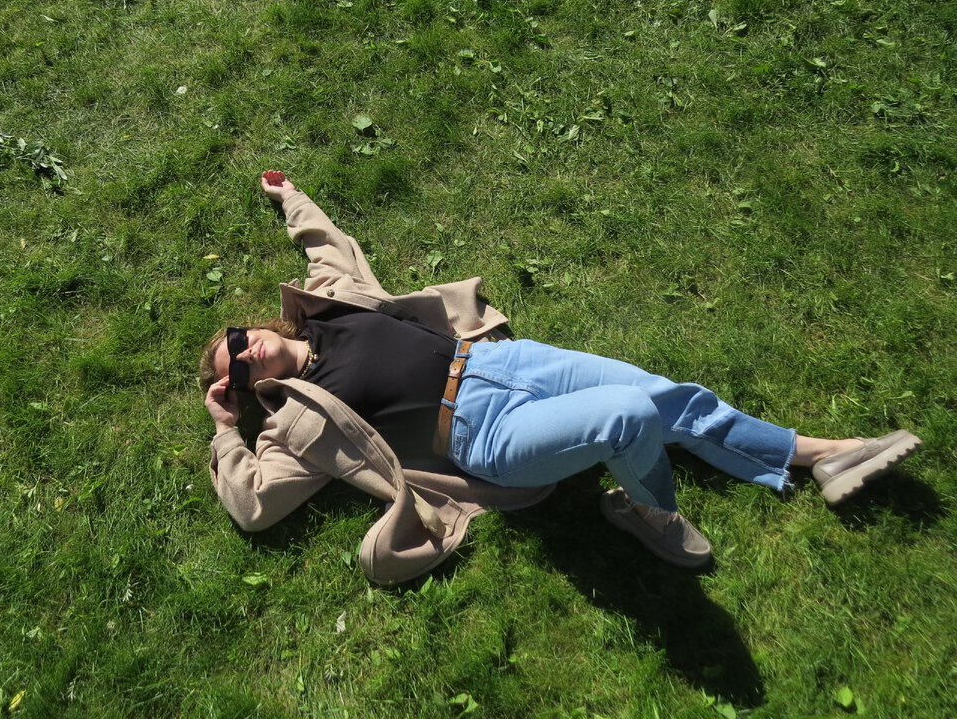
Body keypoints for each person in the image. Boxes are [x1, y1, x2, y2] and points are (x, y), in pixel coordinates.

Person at [202, 171, 921, 582]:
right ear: (246, 387)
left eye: (239, 339)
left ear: (256, 326)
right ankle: (651, 513)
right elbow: (255, 505)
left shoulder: (330, 303)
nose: (247, 353)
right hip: (484, 436)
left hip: (502, 362)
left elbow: (327, 244)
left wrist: (289, 196)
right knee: (629, 416)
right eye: (238, 370)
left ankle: (822, 454)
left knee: (668, 396)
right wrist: (226, 430)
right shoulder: (297, 425)